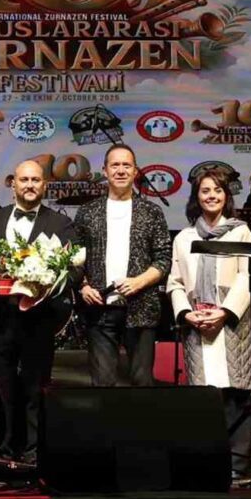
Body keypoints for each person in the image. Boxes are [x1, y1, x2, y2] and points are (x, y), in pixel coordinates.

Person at [0, 159, 76, 463]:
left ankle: (33, 453)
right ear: (13, 184)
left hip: (40, 319)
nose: (29, 185)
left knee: (35, 389)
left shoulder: (60, 223)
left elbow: (74, 270)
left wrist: (48, 281)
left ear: (44, 185)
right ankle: (1, 449)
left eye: (35, 180)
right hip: (0, 318)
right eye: (24, 180)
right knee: (1, 387)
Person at [167, 166, 251, 474]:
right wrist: (186, 313)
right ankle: (208, 464)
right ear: (197, 197)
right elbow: (175, 282)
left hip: (230, 323)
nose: (212, 196)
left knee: (235, 395)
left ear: (227, 196)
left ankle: (238, 465)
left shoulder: (240, 232)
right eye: (205, 191)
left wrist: (224, 312)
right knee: (205, 396)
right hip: (197, 325)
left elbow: (247, 276)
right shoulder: (184, 237)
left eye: (218, 190)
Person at [73, 144, 172, 387]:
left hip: (141, 307)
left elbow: (163, 258)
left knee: (141, 382)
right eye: (115, 165)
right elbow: (74, 257)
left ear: (135, 171)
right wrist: (83, 286)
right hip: (99, 309)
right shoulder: (87, 212)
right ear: (105, 170)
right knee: (103, 384)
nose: (120, 170)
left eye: (126, 165)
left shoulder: (151, 212)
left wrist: (139, 281)